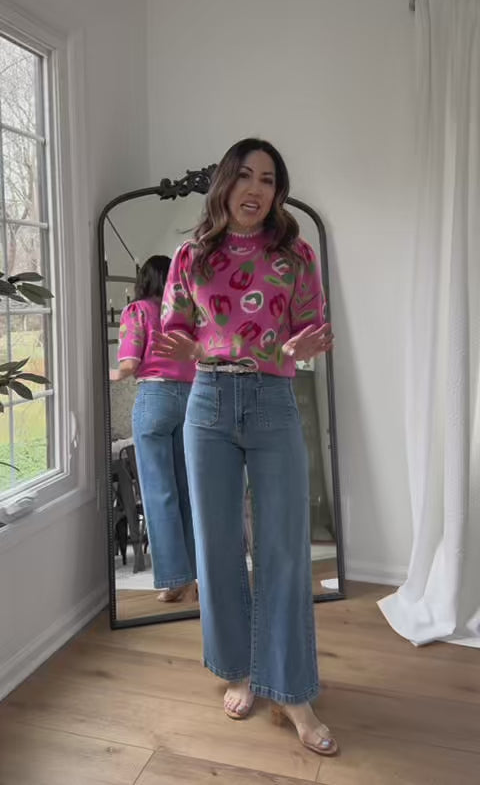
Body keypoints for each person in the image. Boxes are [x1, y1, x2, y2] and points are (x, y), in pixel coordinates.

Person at [156, 139, 337, 755]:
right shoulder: (191, 256)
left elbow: (307, 329)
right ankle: (238, 668)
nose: (257, 189)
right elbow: (173, 329)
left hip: (272, 403)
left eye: (269, 179)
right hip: (206, 405)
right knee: (218, 548)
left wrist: (302, 347)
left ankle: (290, 689)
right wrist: (185, 349)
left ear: (276, 192)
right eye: (247, 176)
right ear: (226, 183)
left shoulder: (295, 255)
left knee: (285, 547)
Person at [109, 255, 197, 603]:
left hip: (156, 399)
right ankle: (197, 576)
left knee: (159, 494)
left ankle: (175, 579)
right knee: (190, 492)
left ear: (144, 280)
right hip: (192, 399)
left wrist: (106, 374)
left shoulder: (137, 311)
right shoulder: (188, 313)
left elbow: (129, 364)